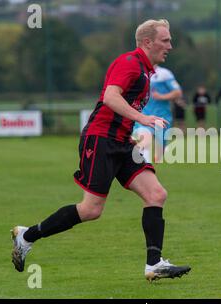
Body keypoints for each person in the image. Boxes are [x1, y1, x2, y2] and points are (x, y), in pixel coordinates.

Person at [10, 19, 191, 282]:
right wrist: (141, 120)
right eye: (166, 40)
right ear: (147, 42)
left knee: (156, 193)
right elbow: (110, 97)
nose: (170, 46)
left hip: (120, 142)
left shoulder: (146, 71)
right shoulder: (129, 62)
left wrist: (128, 132)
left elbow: (121, 105)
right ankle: (26, 237)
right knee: (91, 210)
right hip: (100, 140)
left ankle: (154, 265)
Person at [133, 65, 183, 163]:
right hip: (144, 115)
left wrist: (161, 96)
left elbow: (178, 93)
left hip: (162, 116)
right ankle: (144, 166)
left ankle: (160, 152)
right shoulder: (138, 72)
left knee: (160, 152)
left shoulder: (164, 74)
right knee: (145, 139)